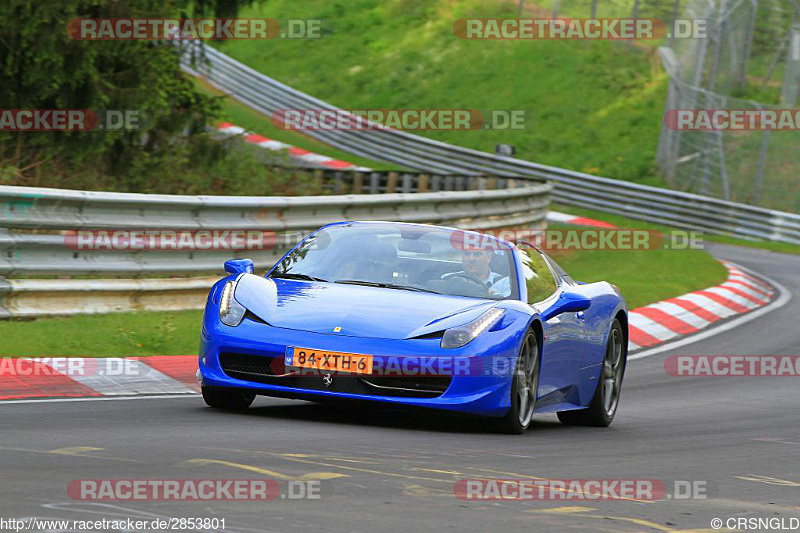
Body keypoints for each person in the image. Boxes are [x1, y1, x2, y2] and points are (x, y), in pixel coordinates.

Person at [443, 250, 510, 296]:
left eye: (477, 254)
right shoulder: (448, 278)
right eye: (467, 254)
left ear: (489, 257)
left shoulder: (505, 284)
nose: (471, 259)